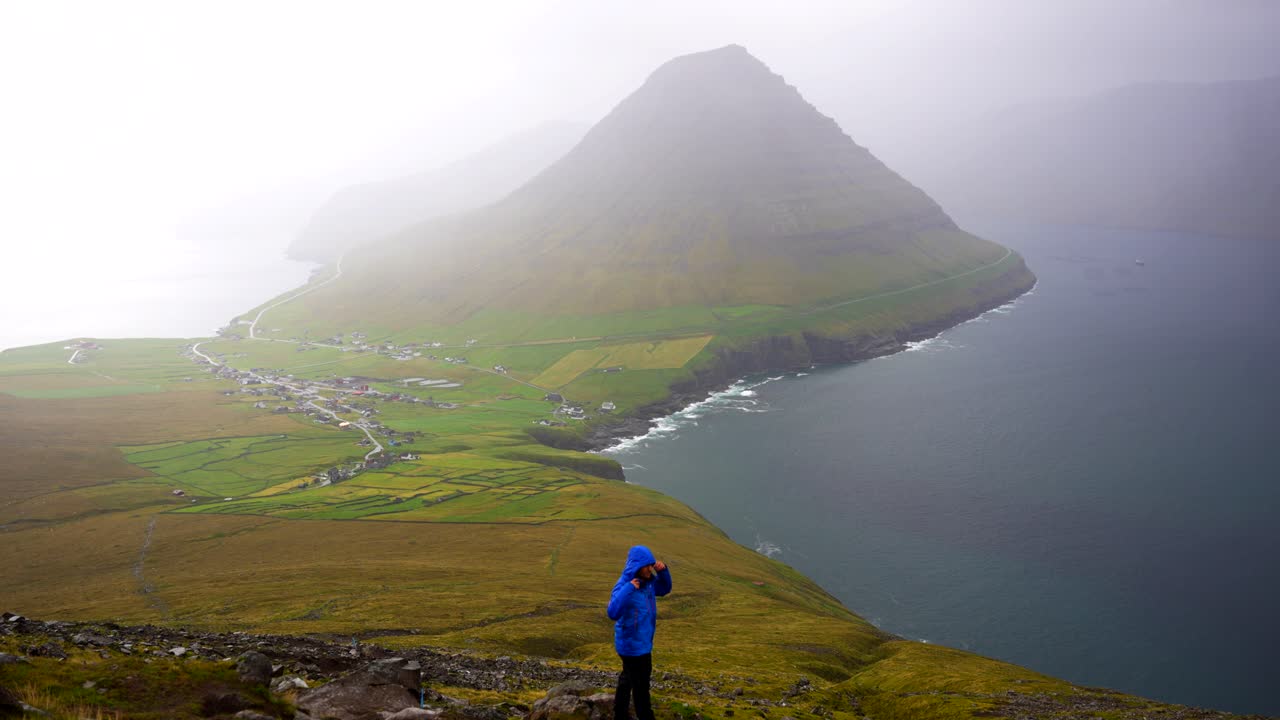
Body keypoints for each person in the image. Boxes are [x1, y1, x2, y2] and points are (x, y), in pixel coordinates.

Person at [606, 545, 672, 720]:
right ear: (635, 566)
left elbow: (665, 589)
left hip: (643, 643)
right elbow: (612, 612)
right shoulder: (624, 585)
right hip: (632, 646)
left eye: (651, 565)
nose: (649, 569)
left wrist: (663, 571)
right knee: (641, 688)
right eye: (646, 566)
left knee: (627, 679)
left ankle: (620, 713)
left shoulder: (648, 584)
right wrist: (629, 588)